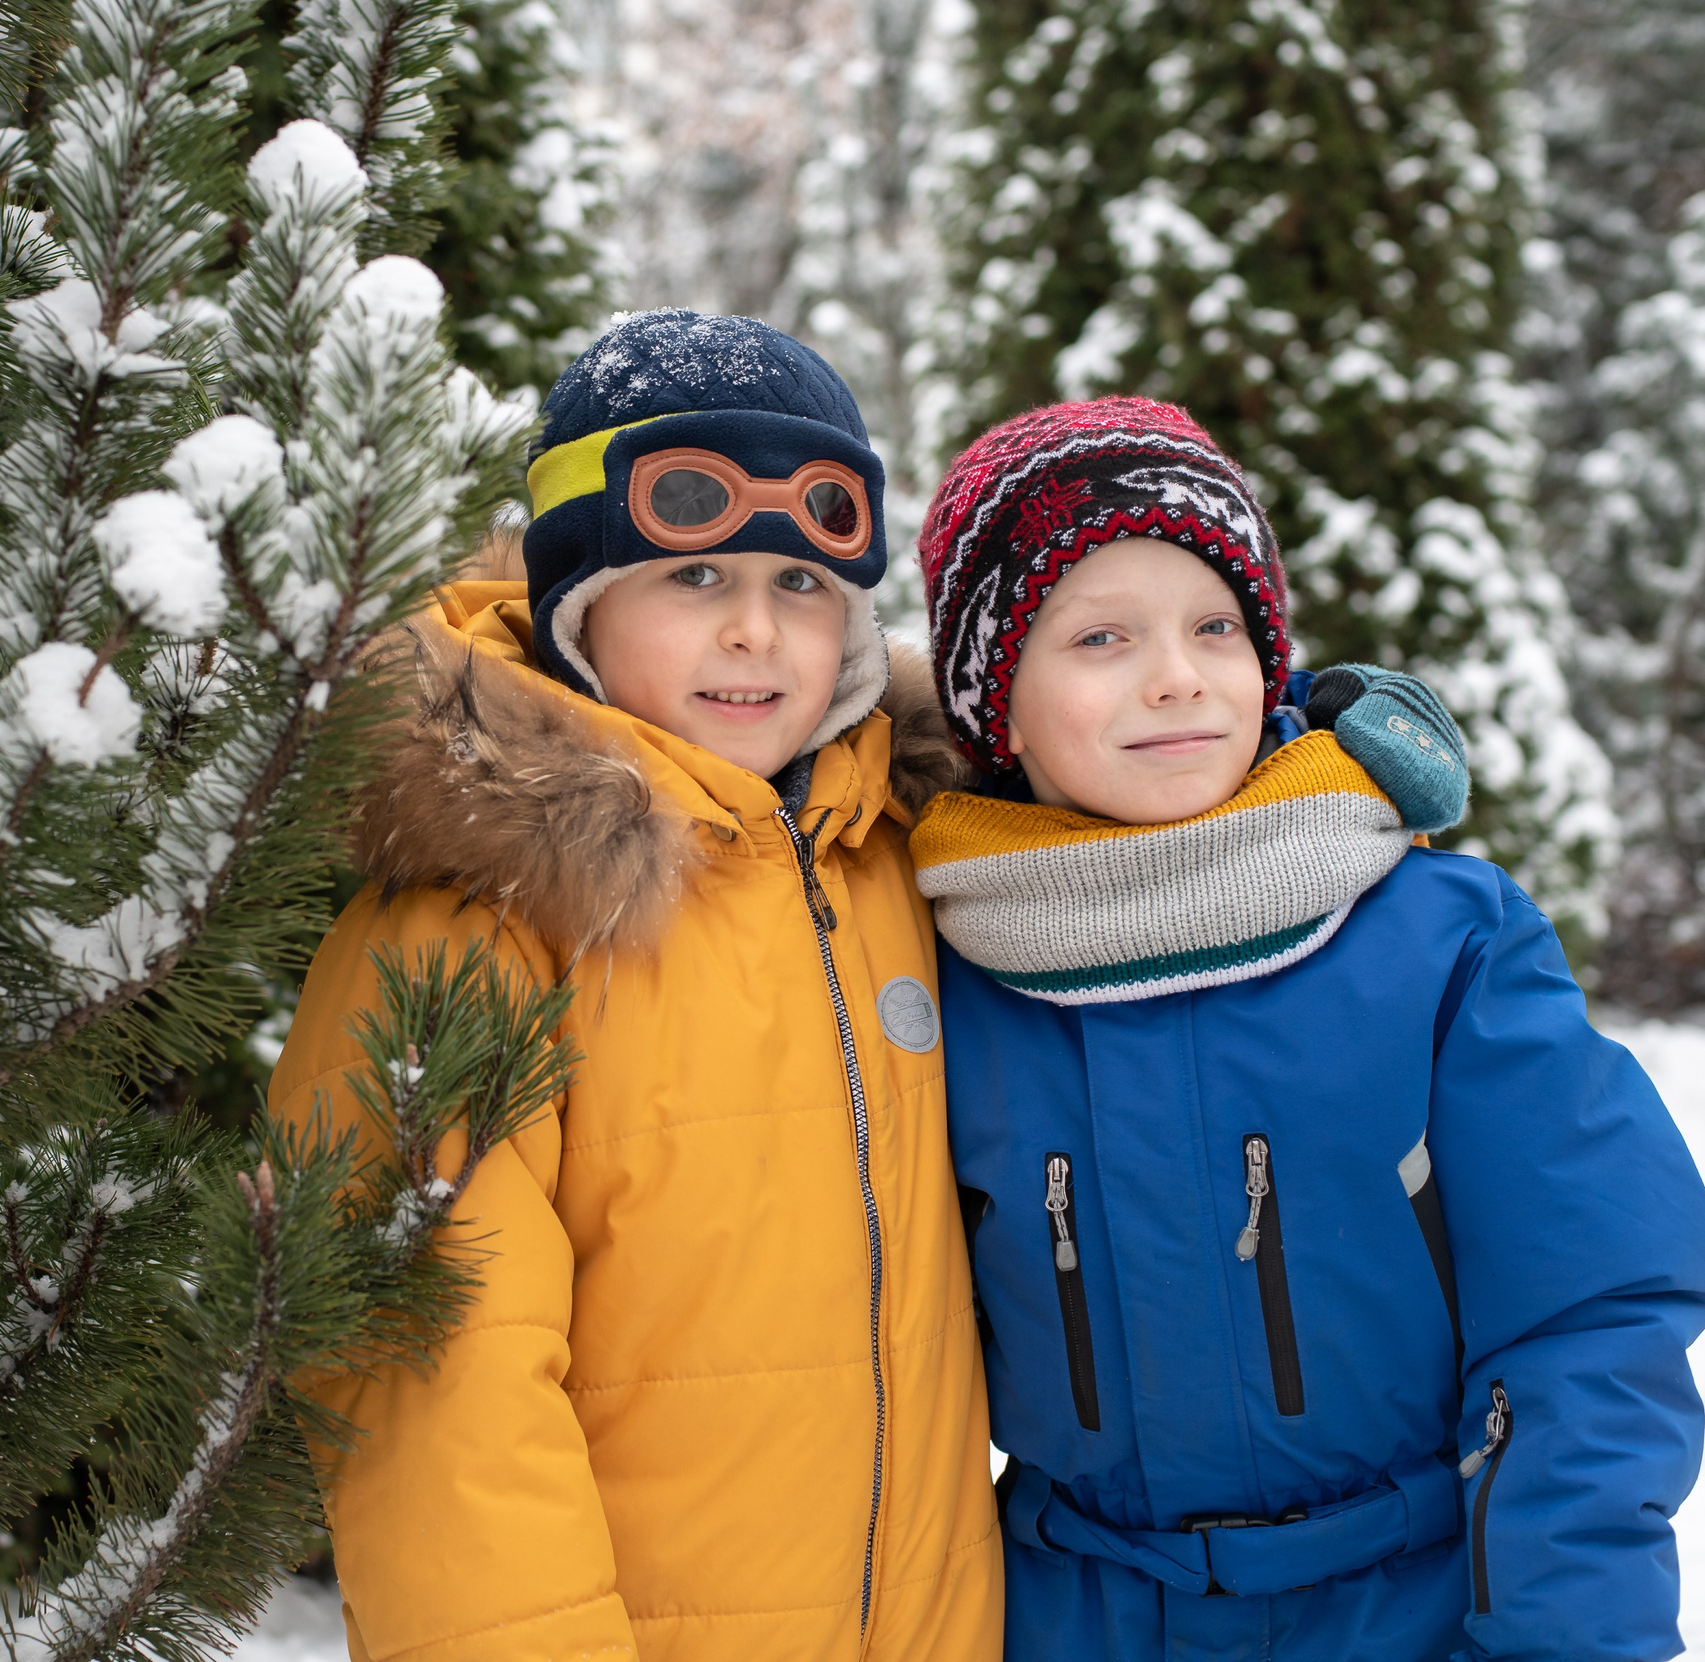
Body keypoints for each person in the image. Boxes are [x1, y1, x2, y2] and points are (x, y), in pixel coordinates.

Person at [909, 395, 1705, 1662]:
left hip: (1416, 1608)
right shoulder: (943, 980)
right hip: (1075, 1615)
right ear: (992, 703)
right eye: (1101, 635)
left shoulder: (1439, 944)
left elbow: (1586, 1314)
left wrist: (1569, 1637)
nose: (1177, 675)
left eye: (1214, 626)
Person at [267, 310, 1001, 1662]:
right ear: (577, 605)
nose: (754, 633)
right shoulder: (479, 920)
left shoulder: (895, 853)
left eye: (800, 584)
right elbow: (434, 1404)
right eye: (695, 575)